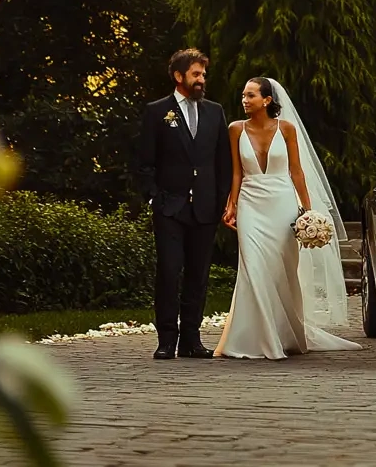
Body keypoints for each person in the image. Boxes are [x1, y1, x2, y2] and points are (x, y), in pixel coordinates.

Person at [215, 78, 360, 360]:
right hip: (250, 205)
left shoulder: (287, 129)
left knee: (282, 270)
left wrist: (308, 211)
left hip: (282, 205)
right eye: (243, 95)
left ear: (267, 100)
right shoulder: (235, 129)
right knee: (252, 267)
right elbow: (236, 173)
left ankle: (284, 333)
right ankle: (259, 339)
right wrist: (231, 205)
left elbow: (297, 172)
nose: (244, 100)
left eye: (250, 95)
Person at [133, 49, 227, 360]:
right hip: (169, 207)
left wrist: (222, 199)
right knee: (170, 271)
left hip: (205, 206)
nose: (202, 79)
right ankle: (166, 340)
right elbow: (144, 162)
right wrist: (154, 198)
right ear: (179, 76)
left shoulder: (215, 112)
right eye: (196, 74)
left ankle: (191, 340)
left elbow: (222, 161)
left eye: (203, 74)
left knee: (198, 275)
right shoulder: (157, 111)